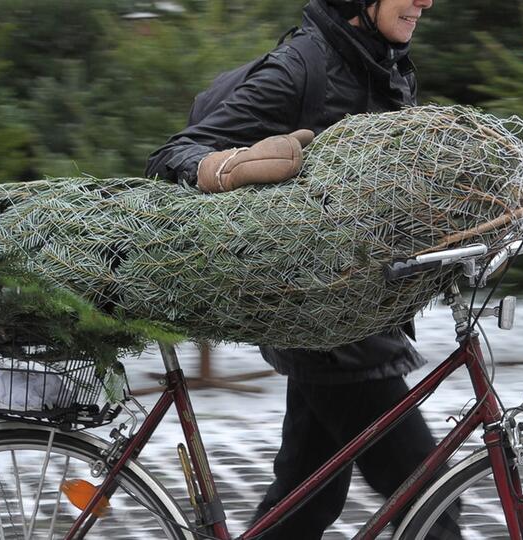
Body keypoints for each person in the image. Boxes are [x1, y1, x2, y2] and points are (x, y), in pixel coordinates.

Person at [146, 0, 460, 537]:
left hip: (353, 321)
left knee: (303, 508)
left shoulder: (384, 66)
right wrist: (229, 166)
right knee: (431, 505)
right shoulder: (301, 67)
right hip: (327, 329)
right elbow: (171, 158)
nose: (425, 1)